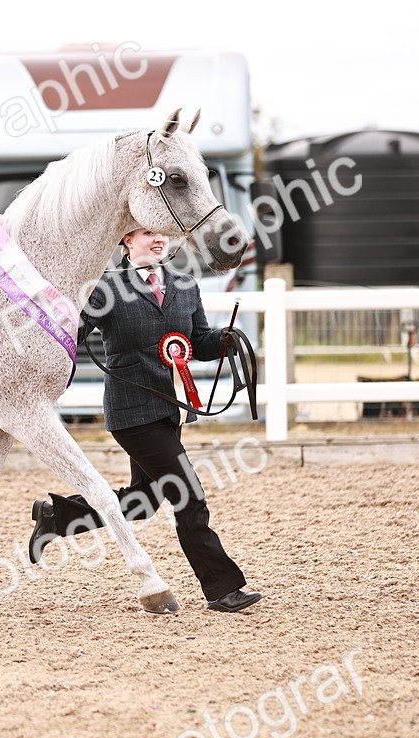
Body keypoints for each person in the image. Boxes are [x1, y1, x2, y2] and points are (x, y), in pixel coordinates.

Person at [28, 228, 262, 613]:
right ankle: (222, 589)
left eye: (162, 235)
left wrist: (224, 339)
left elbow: (197, 342)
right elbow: (69, 334)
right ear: (126, 240)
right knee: (189, 495)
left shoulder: (185, 286)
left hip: (167, 410)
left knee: (143, 502)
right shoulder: (104, 288)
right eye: (147, 234)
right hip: (131, 413)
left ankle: (58, 516)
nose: (158, 241)